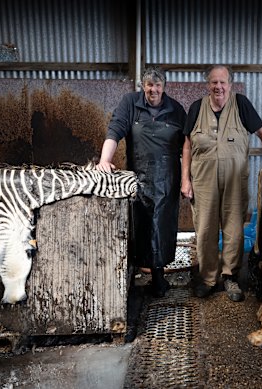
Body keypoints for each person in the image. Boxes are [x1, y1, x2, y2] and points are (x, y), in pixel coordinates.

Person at [181, 64, 262, 302]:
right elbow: (187, 146)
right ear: (207, 85)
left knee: (233, 230)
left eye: (222, 82)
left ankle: (230, 276)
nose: (218, 87)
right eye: (213, 82)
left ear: (230, 84)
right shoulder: (197, 108)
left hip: (234, 181)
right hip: (203, 181)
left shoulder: (241, 104)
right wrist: (185, 180)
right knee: (206, 230)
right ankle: (208, 279)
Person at [96, 67, 186, 298]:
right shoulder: (130, 103)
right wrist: (104, 160)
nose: (153, 90)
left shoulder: (176, 109)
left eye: (157, 86)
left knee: (162, 227)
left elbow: (188, 145)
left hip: (167, 179)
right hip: (138, 175)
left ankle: (159, 277)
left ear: (164, 87)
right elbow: (115, 131)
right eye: (149, 85)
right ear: (142, 86)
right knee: (140, 225)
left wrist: (187, 178)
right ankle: (132, 276)